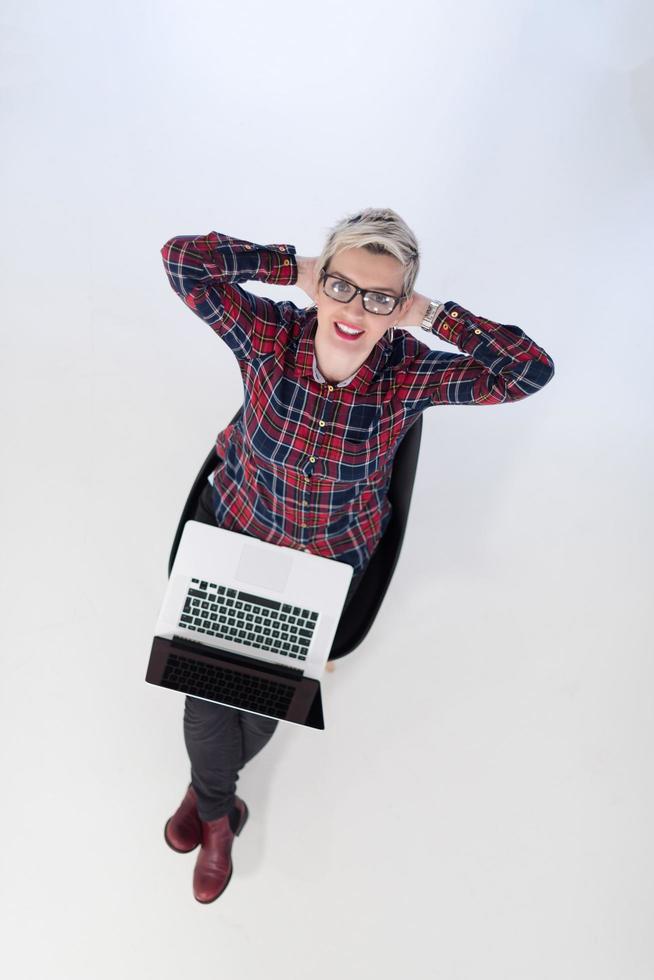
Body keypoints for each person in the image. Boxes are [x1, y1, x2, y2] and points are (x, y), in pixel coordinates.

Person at [158, 207, 556, 903]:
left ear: (399, 306)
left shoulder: (408, 374)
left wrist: (434, 316)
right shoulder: (269, 334)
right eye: (342, 287)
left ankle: (207, 795)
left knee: (259, 707)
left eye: (381, 298)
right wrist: (290, 270)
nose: (355, 310)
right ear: (322, 280)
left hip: (320, 570)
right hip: (238, 536)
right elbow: (182, 259)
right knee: (206, 698)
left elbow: (529, 373)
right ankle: (219, 817)